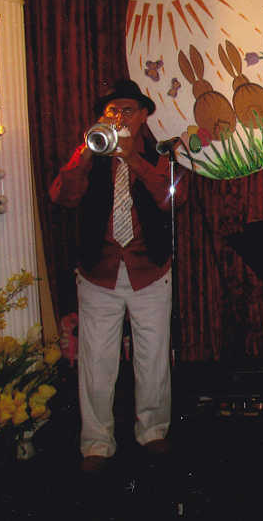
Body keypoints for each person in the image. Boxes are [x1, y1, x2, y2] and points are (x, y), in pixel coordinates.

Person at [49, 79, 188, 473]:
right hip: (99, 272)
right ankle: (96, 442)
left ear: (143, 116)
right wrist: (86, 152)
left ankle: (153, 431)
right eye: (112, 111)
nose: (120, 117)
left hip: (150, 271)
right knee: (96, 361)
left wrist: (134, 160)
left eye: (128, 110)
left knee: (153, 358)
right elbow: (62, 196)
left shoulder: (160, 152)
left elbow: (172, 198)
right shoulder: (90, 153)